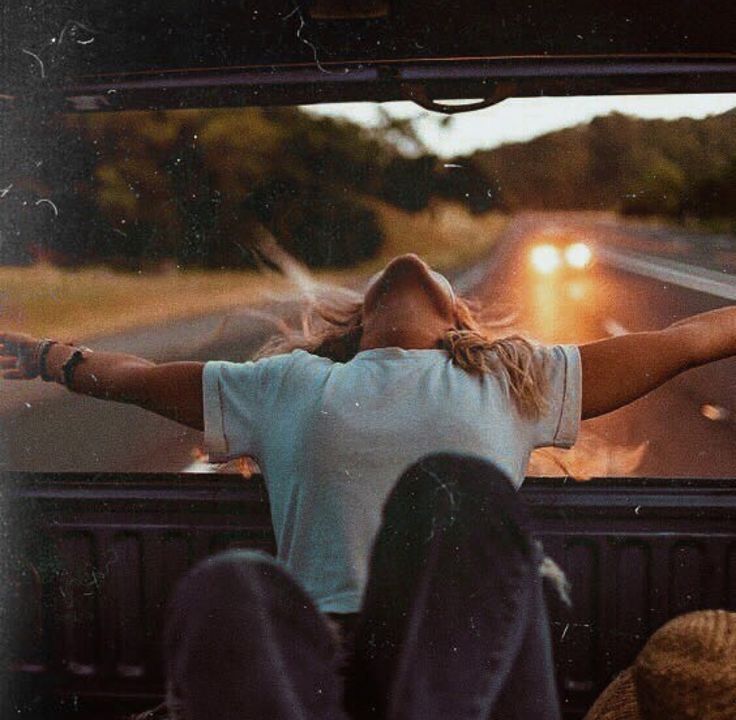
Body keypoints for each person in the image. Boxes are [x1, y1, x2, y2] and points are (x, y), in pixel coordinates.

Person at [3, 252, 736, 719]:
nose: (408, 264)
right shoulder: (286, 385)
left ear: (460, 317)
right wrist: (46, 355)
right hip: (318, 667)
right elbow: (134, 379)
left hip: (470, 669)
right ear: (357, 325)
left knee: (460, 493)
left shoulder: (518, 378)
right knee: (233, 584)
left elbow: (688, 341)